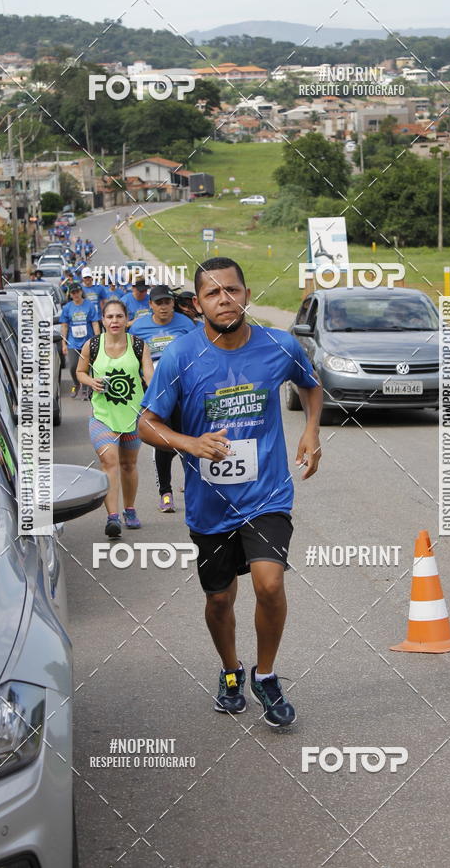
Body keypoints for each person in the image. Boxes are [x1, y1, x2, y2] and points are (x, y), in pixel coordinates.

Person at [138, 258, 322, 727]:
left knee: (270, 583)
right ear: (197, 304)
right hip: (209, 503)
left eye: (232, 290)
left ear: (246, 294)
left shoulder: (279, 345)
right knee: (220, 599)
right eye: (214, 293)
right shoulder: (180, 356)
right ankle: (231, 672)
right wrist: (189, 444)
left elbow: (311, 382)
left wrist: (312, 431)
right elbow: (146, 423)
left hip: (267, 496)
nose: (225, 299)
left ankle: (266, 673)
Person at [76, 298, 154, 537]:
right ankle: (112, 517)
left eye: (119, 316)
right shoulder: (93, 345)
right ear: (103, 320)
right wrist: (91, 381)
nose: (114, 321)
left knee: (129, 464)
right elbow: (80, 372)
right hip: (103, 417)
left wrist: (159, 401)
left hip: (132, 417)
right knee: (109, 462)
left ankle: (129, 509)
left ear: (126, 319)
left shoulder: (139, 346)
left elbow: (149, 376)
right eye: (109, 317)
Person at [132, 284, 195, 512]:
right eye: (159, 303)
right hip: (156, 394)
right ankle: (165, 492)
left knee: (188, 439)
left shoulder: (185, 324)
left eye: (167, 302)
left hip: (184, 393)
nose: (164, 307)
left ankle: (193, 485)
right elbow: (132, 359)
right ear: (150, 305)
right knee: (164, 443)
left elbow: (197, 353)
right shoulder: (139, 328)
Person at [60, 282, 101, 399]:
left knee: (87, 366)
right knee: (73, 366)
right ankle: (77, 383)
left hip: (87, 342)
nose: (76, 294)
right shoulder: (67, 308)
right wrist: (63, 343)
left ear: (81, 292)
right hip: (73, 342)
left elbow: (95, 323)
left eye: (77, 291)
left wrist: (97, 340)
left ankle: (86, 388)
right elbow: (64, 326)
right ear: (70, 294)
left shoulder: (89, 305)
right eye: (73, 292)